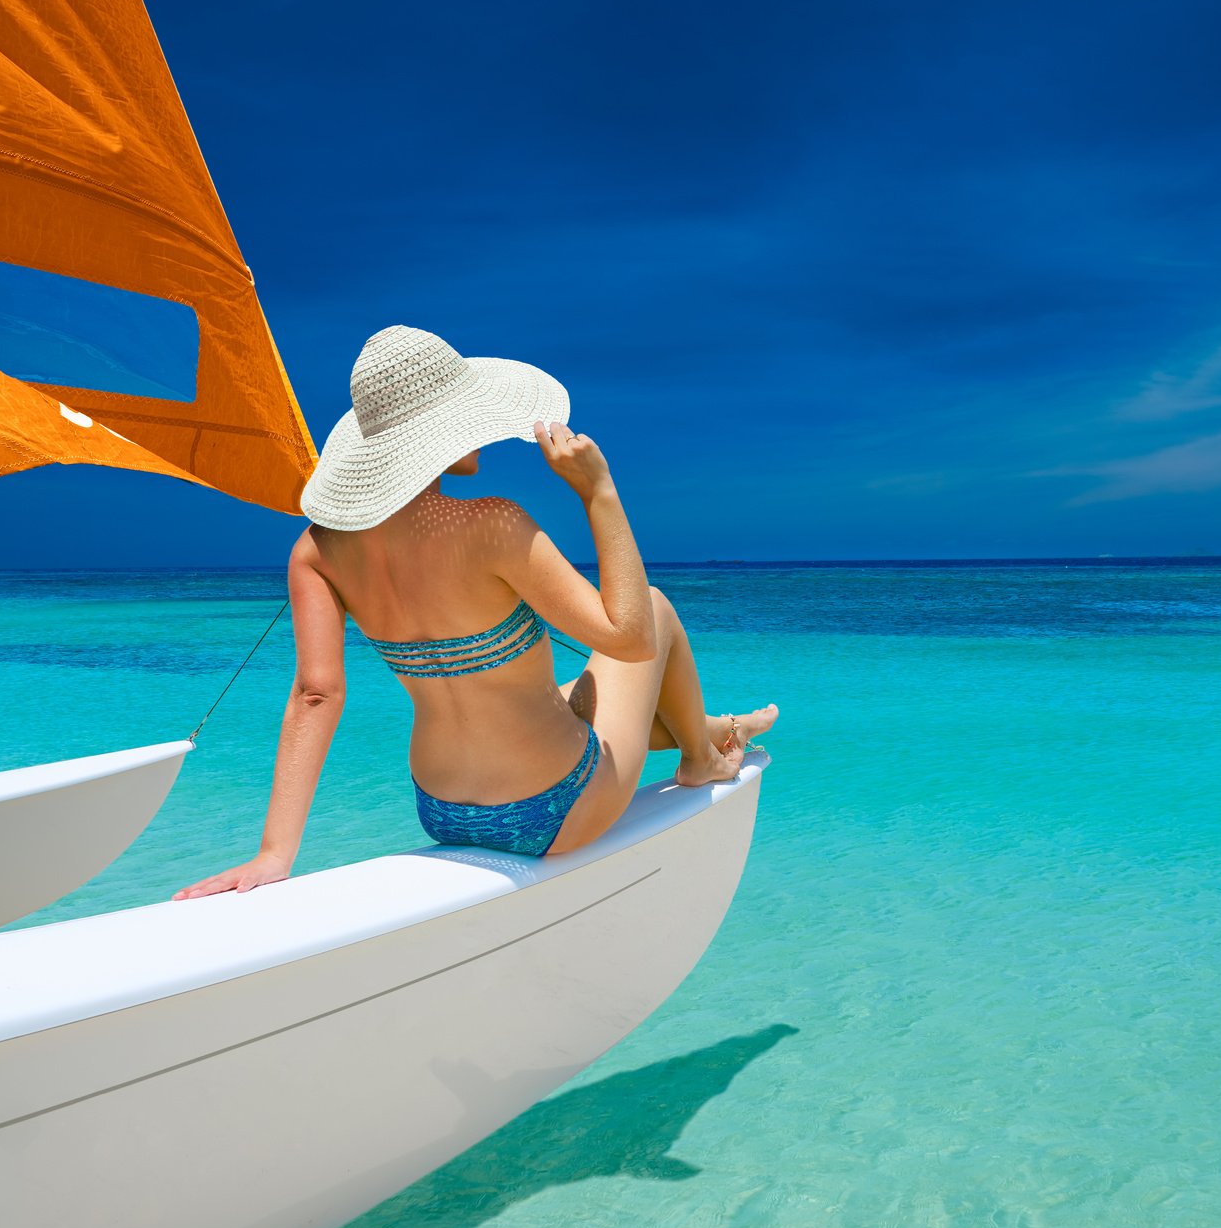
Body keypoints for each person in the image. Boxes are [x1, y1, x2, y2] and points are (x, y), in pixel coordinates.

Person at [174, 325, 776, 898]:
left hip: (442, 811)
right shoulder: (490, 525)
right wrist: (599, 492)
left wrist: (274, 855)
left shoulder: (316, 549)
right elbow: (631, 638)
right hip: (553, 810)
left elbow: (315, 694)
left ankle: (719, 728)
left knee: (573, 695)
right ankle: (702, 758)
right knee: (654, 606)